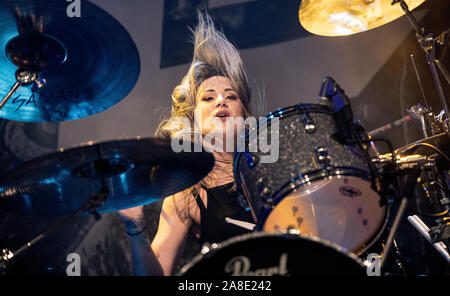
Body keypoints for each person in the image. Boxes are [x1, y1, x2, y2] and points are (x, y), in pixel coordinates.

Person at [118, 12, 256, 276]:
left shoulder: (270, 167)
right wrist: (136, 227)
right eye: (208, 98)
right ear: (192, 120)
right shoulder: (186, 194)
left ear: (245, 115)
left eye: (231, 96)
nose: (221, 102)